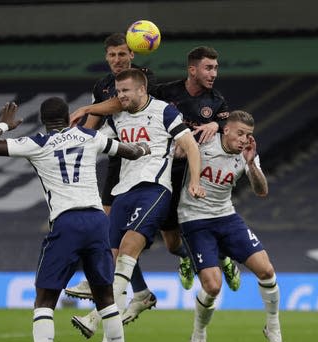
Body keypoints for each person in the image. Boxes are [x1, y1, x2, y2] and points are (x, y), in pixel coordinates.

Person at [0, 98, 152, 342]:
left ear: (44, 121)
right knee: (106, 299)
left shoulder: (37, 142)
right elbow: (129, 151)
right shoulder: (89, 136)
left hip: (67, 222)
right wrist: (143, 149)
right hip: (98, 221)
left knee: (44, 300)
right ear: (68, 118)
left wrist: (4, 124)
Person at [67, 45, 240, 293]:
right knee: (171, 243)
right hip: (166, 170)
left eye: (215, 68)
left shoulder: (217, 102)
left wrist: (216, 124)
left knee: (194, 229)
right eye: (209, 68)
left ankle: (221, 257)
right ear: (192, 70)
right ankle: (181, 261)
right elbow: (127, 102)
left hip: (193, 174)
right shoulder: (166, 93)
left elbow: (230, 128)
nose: (214, 73)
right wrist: (89, 108)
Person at [71, 68, 205, 342]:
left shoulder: (164, 112)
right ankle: (110, 339)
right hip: (122, 193)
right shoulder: (117, 118)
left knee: (129, 250)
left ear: (142, 90)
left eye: (126, 91)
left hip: (154, 189)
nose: (121, 96)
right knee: (114, 261)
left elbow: (191, 147)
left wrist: (194, 180)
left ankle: (97, 321)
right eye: (118, 92)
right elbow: (96, 140)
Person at [178, 110, 285, 342]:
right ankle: (199, 335)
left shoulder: (246, 153)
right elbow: (176, 152)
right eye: (240, 133)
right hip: (194, 219)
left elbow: (262, 191)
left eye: (248, 135)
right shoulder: (203, 141)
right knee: (213, 287)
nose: (244, 139)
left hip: (226, 217)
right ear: (225, 130)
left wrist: (250, 164)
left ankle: (272, 327)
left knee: (267, 270)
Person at [64, 32, 158, 314]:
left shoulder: (144, 78)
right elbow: (93, 123)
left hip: (149, 160)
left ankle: (109, 282)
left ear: (132, 55)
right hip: (120, 161)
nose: (117, 60)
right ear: (106, 57)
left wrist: (86, 107)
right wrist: (74, 141)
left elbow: (120, 103)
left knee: (172, 236)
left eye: (122, 54)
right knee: (110, 231)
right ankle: (139, 291)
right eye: (112, 55)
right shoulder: (103, 85)